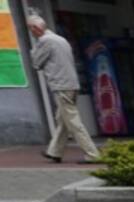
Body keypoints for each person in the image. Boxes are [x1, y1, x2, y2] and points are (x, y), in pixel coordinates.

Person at [25, 13, 101, 164]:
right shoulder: (61, 39)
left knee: (73, 121)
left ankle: (93, 154)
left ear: (36, 28)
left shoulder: (45, 41)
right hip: (72, 84)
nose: (31, 32)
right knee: (63, 120)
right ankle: (54, 151)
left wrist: (32, 50)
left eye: (30, 29)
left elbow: (36, 63)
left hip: (61, 85)